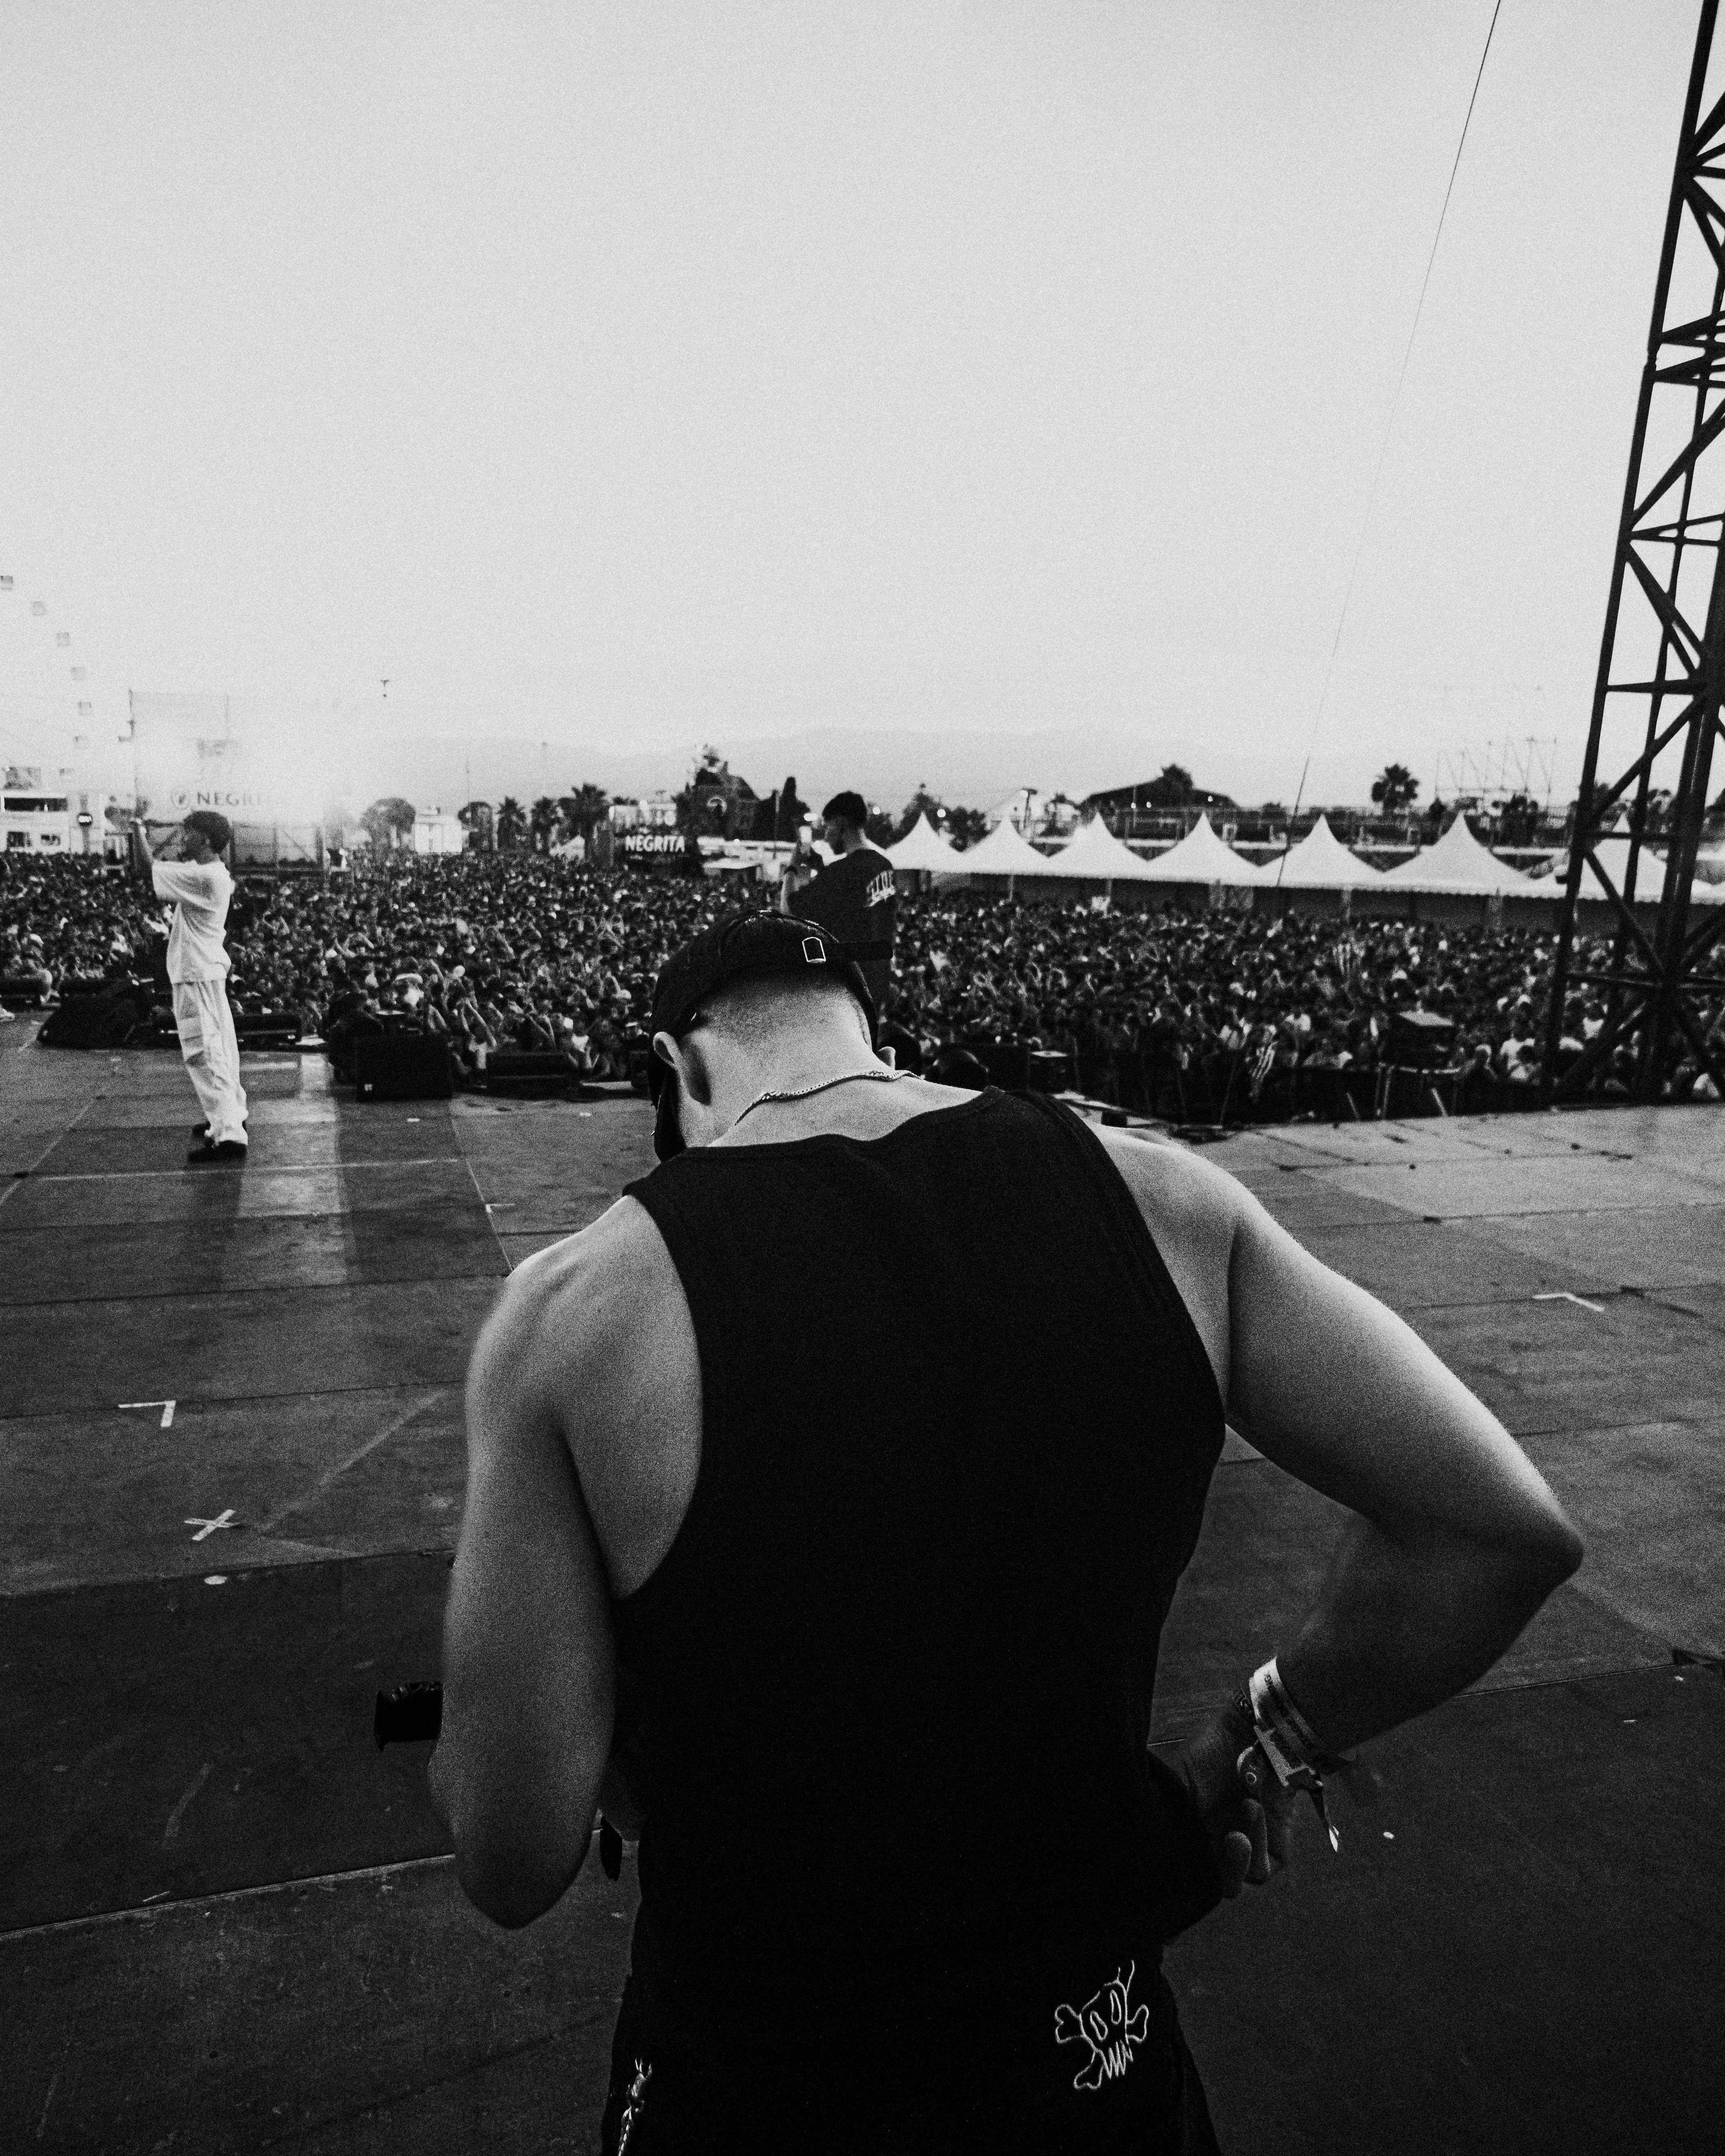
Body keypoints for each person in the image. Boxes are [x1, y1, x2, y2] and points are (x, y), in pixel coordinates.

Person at [428, 908, 1582, 2151]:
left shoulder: (573, 1313)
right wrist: (1263, 1737)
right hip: (1093, 2067)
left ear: (682, 1066)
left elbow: (511, 1854)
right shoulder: (1166, 1201)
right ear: (874, 1035)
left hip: (752, 2086)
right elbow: (1496, 1532)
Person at [130, 811, 249, 1164]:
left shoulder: (205, 877)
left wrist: (137, 828)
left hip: (196, 973)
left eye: (189, 833)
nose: (182, 839)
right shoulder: (213, 875)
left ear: (207, 841)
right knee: (221, 1049)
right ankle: (229, 1116)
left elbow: (143, 867)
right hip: (204, 970)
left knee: (203, 1051)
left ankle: (229, 1135)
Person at [781, 788, 897, 1008]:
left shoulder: (841, 872)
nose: (825, 835)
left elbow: (788, 912)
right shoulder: (884, 867)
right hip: (876, 988)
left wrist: (792, 870)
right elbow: (861, 912)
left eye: (827, 826)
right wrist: (821, 870)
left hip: (845, 996)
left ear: (840, 823)